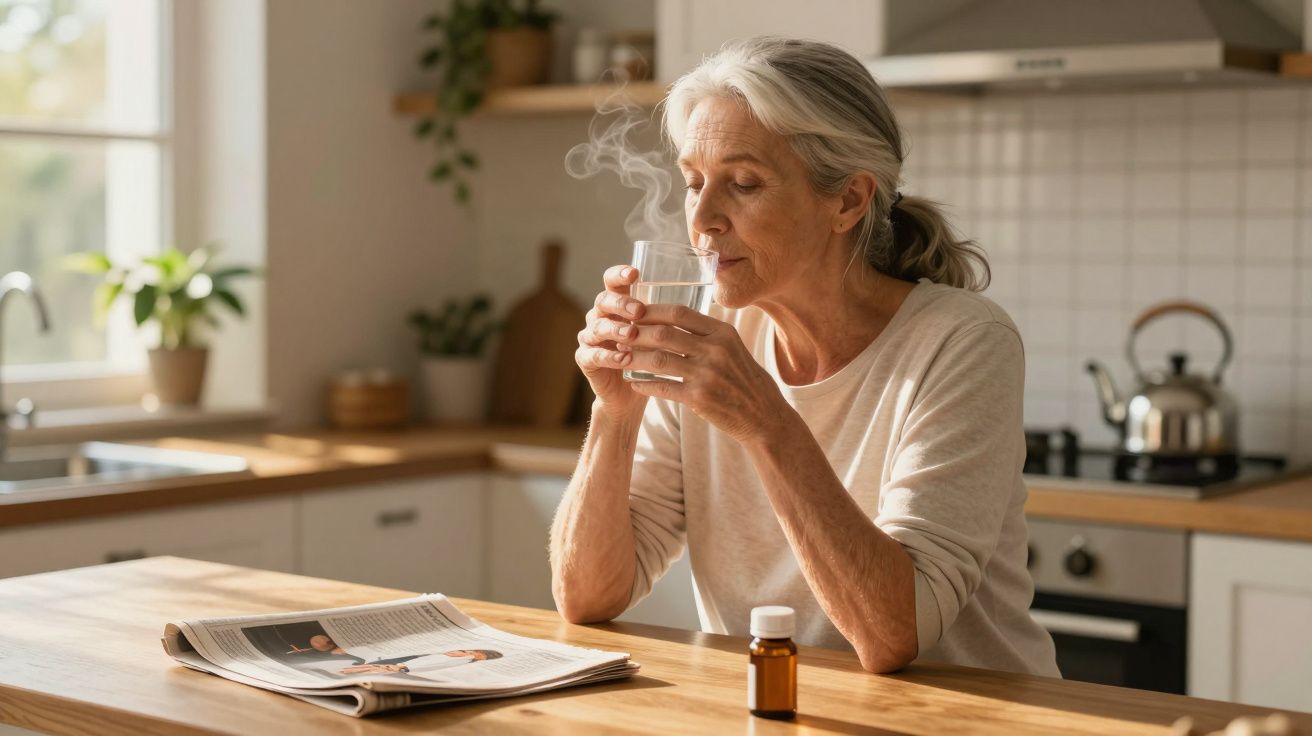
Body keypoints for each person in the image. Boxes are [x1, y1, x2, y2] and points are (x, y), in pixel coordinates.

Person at [550, 36, 1058, 676]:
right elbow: (588, 597)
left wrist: (766, 422)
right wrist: (615, 411)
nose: (703, 218)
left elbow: (893, 633)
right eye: (693, 183)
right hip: (782, 709)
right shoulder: (705, 333)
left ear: (848, 201)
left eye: (743, 184)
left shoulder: (962, 341)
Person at [338, 649, 504, 677]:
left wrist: (405, 667)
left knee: (372, 669)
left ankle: (343, 674)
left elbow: (435, 665)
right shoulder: (456, 656)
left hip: (407, 667)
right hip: (408, 665)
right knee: (371, 668)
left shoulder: (463, 660)